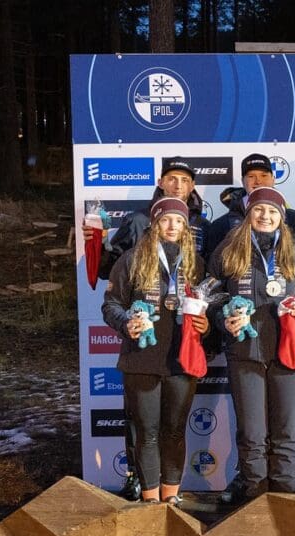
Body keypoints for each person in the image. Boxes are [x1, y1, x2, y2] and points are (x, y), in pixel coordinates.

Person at [88, 157, 208, 501]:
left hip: (182, 360)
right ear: (154, 223)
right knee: (147, 432)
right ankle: (150, 499)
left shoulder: (196, 264)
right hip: (141, 358)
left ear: (186, 227)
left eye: (178, 221)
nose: (172, 226)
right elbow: (110, 305)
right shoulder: (131, 259)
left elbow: (210, 307)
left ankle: (172, 498)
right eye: (166, 220)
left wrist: (206, 319)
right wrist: (127, 322)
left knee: (174, 432)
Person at [208, 187, 295, 500]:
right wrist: (223, 316)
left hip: (288, 352)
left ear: (281, 218)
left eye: (272, 212)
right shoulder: (229, 248)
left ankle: (285, 498)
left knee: (286, 432)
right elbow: (210, 295)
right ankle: (254, 496)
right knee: (252, 433)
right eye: (259, 210)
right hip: (245, 352)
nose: (265, 216)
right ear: (248, 214)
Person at [204, 153, 295, 262]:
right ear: (243, 181)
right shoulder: (221, 225)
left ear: (273, 179)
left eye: (264, 175)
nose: (258, 181)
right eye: (251, 176)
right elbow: (213, 267)